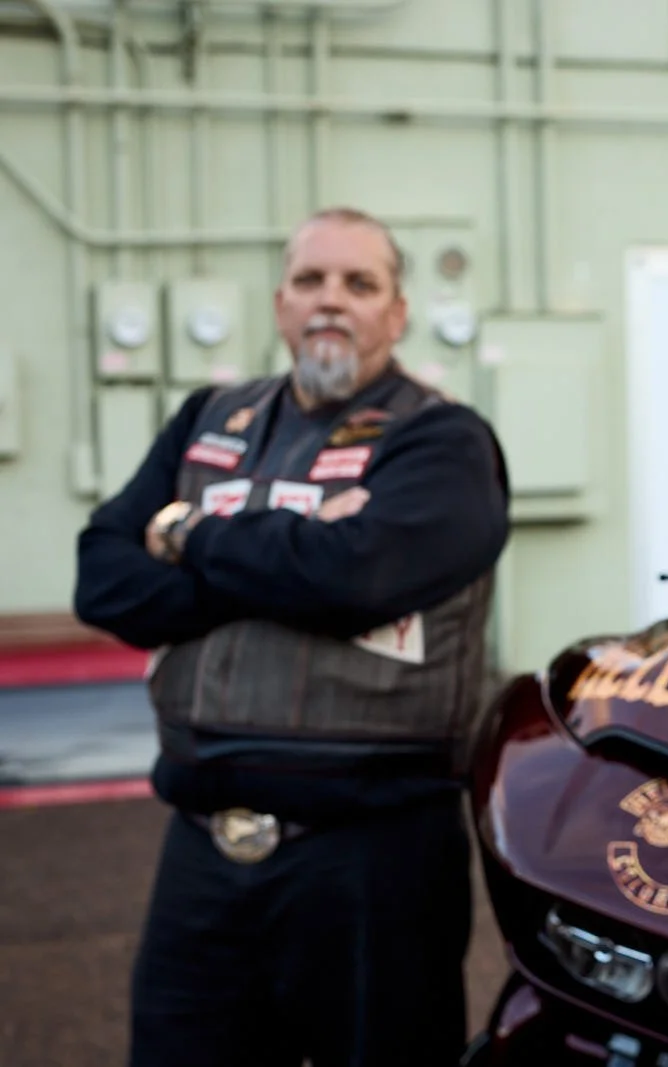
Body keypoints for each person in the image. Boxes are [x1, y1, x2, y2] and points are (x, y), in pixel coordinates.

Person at [74, 206, 509, 1067]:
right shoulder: (208, 419)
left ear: (398, 312)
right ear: (278, 304)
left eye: (359, 283)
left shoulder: (444, 440)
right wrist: (293, 561)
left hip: (371, 866)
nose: (330, 301)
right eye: (310, 280)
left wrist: (188, 535)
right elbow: (103, 577)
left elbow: (359, 577)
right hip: (201, 853)